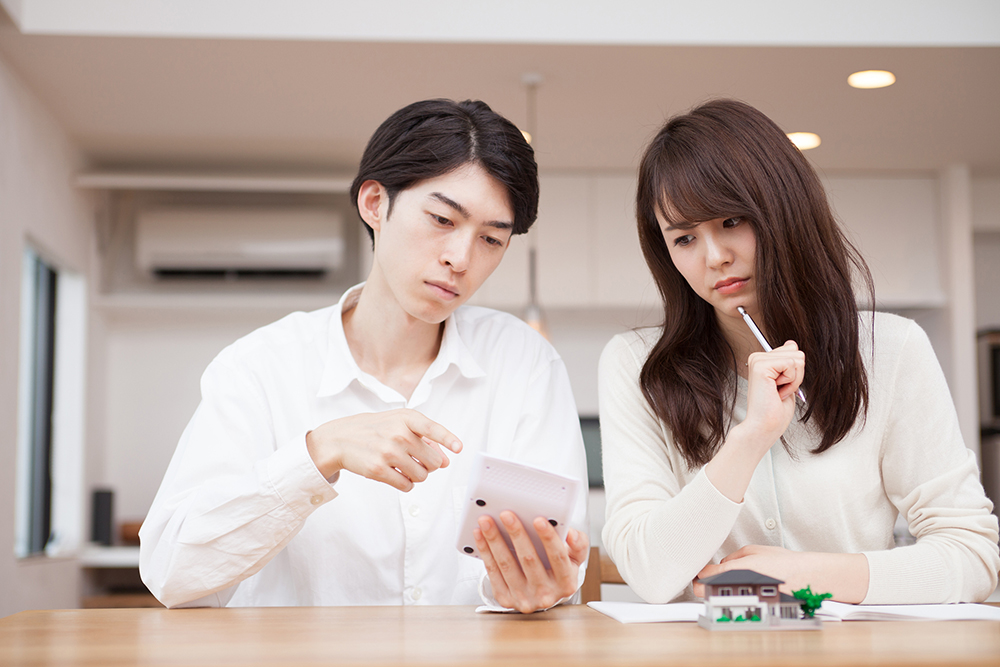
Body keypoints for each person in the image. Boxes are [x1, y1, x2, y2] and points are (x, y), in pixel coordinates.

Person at [140, 99, 590, 613]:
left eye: (491, 239)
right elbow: (171, 573)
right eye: (442, 219)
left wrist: (533, 586)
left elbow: (551, 559)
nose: (461, 259)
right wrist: (317, 453)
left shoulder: (522, 362)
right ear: (375, 203)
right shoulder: (260, 367)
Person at [599, 99, 999, 605]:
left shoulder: (890, 351)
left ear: (785, 208)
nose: (715, 257)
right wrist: (751, 437)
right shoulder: (636, 365)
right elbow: (650, 573)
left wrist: (808, 576)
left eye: (731, 221)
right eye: (684, 239)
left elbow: (974, 556)